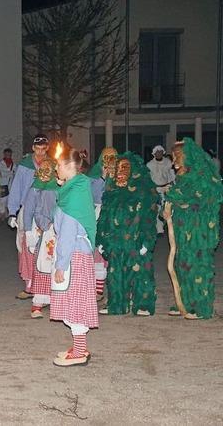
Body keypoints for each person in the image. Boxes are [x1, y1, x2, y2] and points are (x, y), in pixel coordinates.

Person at [164, 137, 223, 319]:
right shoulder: (182, 178)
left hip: (199, 231)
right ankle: (184, 301)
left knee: (198, 266)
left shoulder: (203, 177)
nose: (174, 162)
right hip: (183, 229)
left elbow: (202, 199)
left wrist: (176, 197)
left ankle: (200, 306)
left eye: (178, 157)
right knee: (183, 264)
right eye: (173, 157)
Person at [50, 148, 98, 367]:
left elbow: (68, 233)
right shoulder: (77, 187)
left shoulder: (73, 195)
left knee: (74, 302)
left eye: (59, 165)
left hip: (74, 254)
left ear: (70, 167)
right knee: (76, 299)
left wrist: (61, 264)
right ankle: (80, 347)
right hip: (79, 252)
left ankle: (79, 352)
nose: (56, 169)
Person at [97, 153, 158, 316]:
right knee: (115, 274)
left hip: (136, 239)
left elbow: (149, 218)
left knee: (140, 272)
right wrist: (101, 238)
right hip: (115, 240)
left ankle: (142, 304)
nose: (120, 171)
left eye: (125, 167)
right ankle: (117, 304)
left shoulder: (142, 190)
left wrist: (147, 240)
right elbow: (104, 215)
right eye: (118, 168)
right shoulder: (112, 191)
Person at [7, 134, 50, 300]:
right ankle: (29, 284)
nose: (40, 152)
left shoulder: (51, 165)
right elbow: (16, 188)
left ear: (47, 148)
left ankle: (45, 285)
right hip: (27, 211)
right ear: (33, 148)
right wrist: (12, 211)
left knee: (46, 247)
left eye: (43, 149)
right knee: (25, 247)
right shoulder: (24, 166)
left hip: (46, 211)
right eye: (37, 149)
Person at [86, 146, 118, 300]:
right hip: (97, 215)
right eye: (107, 157)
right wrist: (103, 179)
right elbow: (92, 195)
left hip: (115, 216)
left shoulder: (121, 174)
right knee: (96, 251)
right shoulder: (93, 176)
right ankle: (96, 289)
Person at [28, 158, 58, 319]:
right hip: (48, 232)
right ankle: (38, 302)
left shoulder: (63, 189)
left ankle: (57, 300)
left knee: (59, 266)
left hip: (61, 232)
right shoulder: (44, 190)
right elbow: (37, 211)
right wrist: (45, 225)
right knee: (43, 264)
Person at [146, 145, 175, 234]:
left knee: (169, 208)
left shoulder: (168, 162)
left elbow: (171, 175)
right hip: (156, 189)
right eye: (157, 152)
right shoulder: (150, 165)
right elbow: (147, 178)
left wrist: (172, 185)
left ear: (163, 152)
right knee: (157, 209)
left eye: (160, 152)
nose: (159, 153)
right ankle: (159, 230)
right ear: (154, 153)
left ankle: (167, 224)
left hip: (166, 188)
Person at [0, 148, 15, 219]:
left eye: (9, 155)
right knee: (2, 201)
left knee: (10, 201)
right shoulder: (0, 164)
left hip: (11, 185)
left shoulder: (13, 164)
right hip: (3, 185)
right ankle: (2, 217)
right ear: (4, 155)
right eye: (7, 154)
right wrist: (11, 172)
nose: (8, 156)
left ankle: (9, 217)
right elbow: (3, 173)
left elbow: (15, 173)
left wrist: (9, 173)